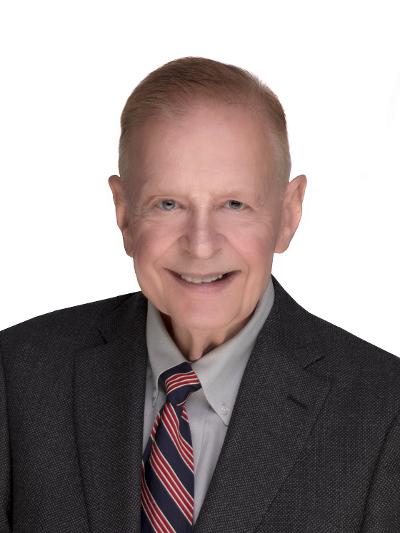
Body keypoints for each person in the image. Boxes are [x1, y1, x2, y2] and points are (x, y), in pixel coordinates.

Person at [0, 56, 399, 533]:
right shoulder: (17, 376)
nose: (201, 244)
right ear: (124, 213)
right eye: (168, 204)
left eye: (235, 204)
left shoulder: (385, 413)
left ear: (289, 214)